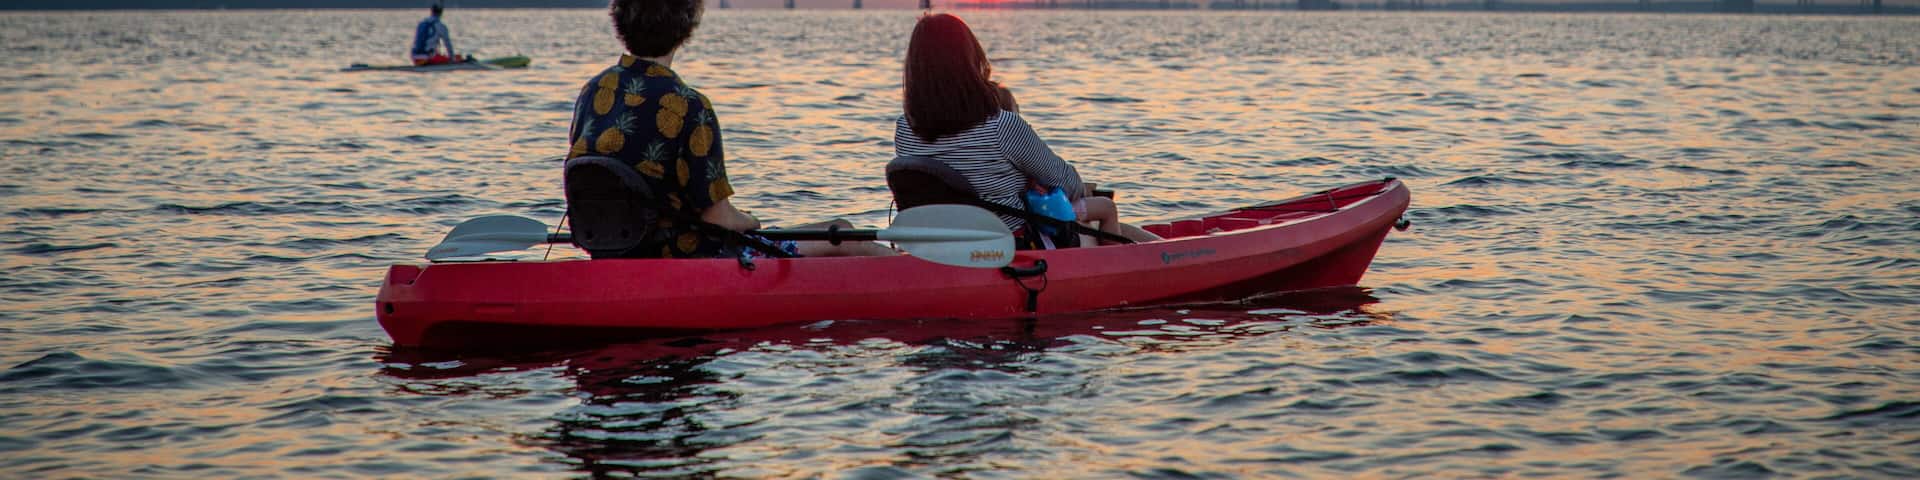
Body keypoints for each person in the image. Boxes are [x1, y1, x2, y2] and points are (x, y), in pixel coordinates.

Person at [566, 0, 894, 259]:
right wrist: (750, 221)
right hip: (691, 260)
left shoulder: (592, 91)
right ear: (687, 27)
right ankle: (919, 277)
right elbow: (718, 220)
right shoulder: (688, 105)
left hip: (617, 254)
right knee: (843, 232)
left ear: (619, 20)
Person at [893, 13, 1159, 247]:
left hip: (943, 245)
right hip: (1014, 248)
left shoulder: (904, 129)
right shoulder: (1002, 126)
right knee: (1096, 221)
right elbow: (1066, 183)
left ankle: (1166, 251)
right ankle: (1151, 265)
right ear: (971, 62)